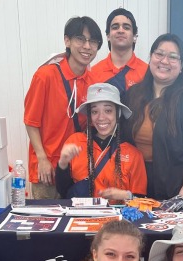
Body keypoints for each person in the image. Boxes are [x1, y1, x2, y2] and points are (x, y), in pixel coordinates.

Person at [122, 33, 183, 200]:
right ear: (151, 58)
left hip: (175, 188)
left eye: (173, 57)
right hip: (136, 185)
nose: (164, 61)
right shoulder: (133, 95)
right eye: (159, 54)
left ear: (182, 65)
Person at [24, 16, 103, 199]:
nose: (87, 46)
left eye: (93, 41)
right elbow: (30, 121)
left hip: (77, 168)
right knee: (47, 222)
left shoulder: (93, 82)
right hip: (48, 168)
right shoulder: (45, 76)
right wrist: (42, 158)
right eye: (80, 39)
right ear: (67, 40)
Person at [55, 83, 147, 200]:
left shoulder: (133, 154)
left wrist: (126, 196)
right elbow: (63, 191)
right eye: (94, 112)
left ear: (118, 114)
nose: (101, 117)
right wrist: (62, 163)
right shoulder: (75, 142)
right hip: (81, 214)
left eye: (108, 111)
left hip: (116, 216)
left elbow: (141, 200)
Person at [91, 8, 148, 95]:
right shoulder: (93, 73)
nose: (120, 31)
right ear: (108, 36)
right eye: (115, 27)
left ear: (134, 37)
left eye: (126, 27)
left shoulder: (147, 72)